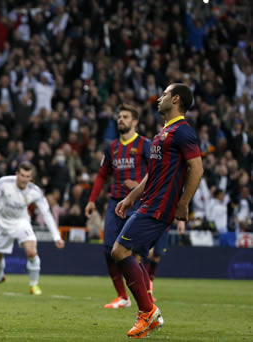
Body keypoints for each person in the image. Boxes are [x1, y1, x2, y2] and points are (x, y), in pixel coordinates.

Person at [114, 83, 203, 338]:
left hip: (159, 206)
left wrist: (183, 203)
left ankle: (147, 313)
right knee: (134, 256)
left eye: (164, 94)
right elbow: (154, 173)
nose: (159, 98)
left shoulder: (184, 132)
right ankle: (151, 313)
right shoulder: (165, 132)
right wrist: (131, 197)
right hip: (147, 202)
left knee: (119, 251)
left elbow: (197, 169)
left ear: (175, 99)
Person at [84, 104, 151, 309]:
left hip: (138, 202)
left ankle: (146, 295)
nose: (120, 119)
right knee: (108, 249)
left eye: (125, 116)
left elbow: (156, 172)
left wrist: (139, 186)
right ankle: (123, 296)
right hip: (115, 203)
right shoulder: (112, 147)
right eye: (119, 116)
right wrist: (92, 200)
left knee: (135, 252)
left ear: (135, 121)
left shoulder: (145, 144)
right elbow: (102, 175)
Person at [0, 161, 65, 295]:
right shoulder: (4, 183)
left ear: (31, 178)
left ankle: (34, 285)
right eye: (22, 175)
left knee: (31, 252)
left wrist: (56, 237)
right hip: (2, 223)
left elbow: (46, 213)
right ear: (17, 174)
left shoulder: (35, 191)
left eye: (28, 176)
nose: (24, 179)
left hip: (21, 222)